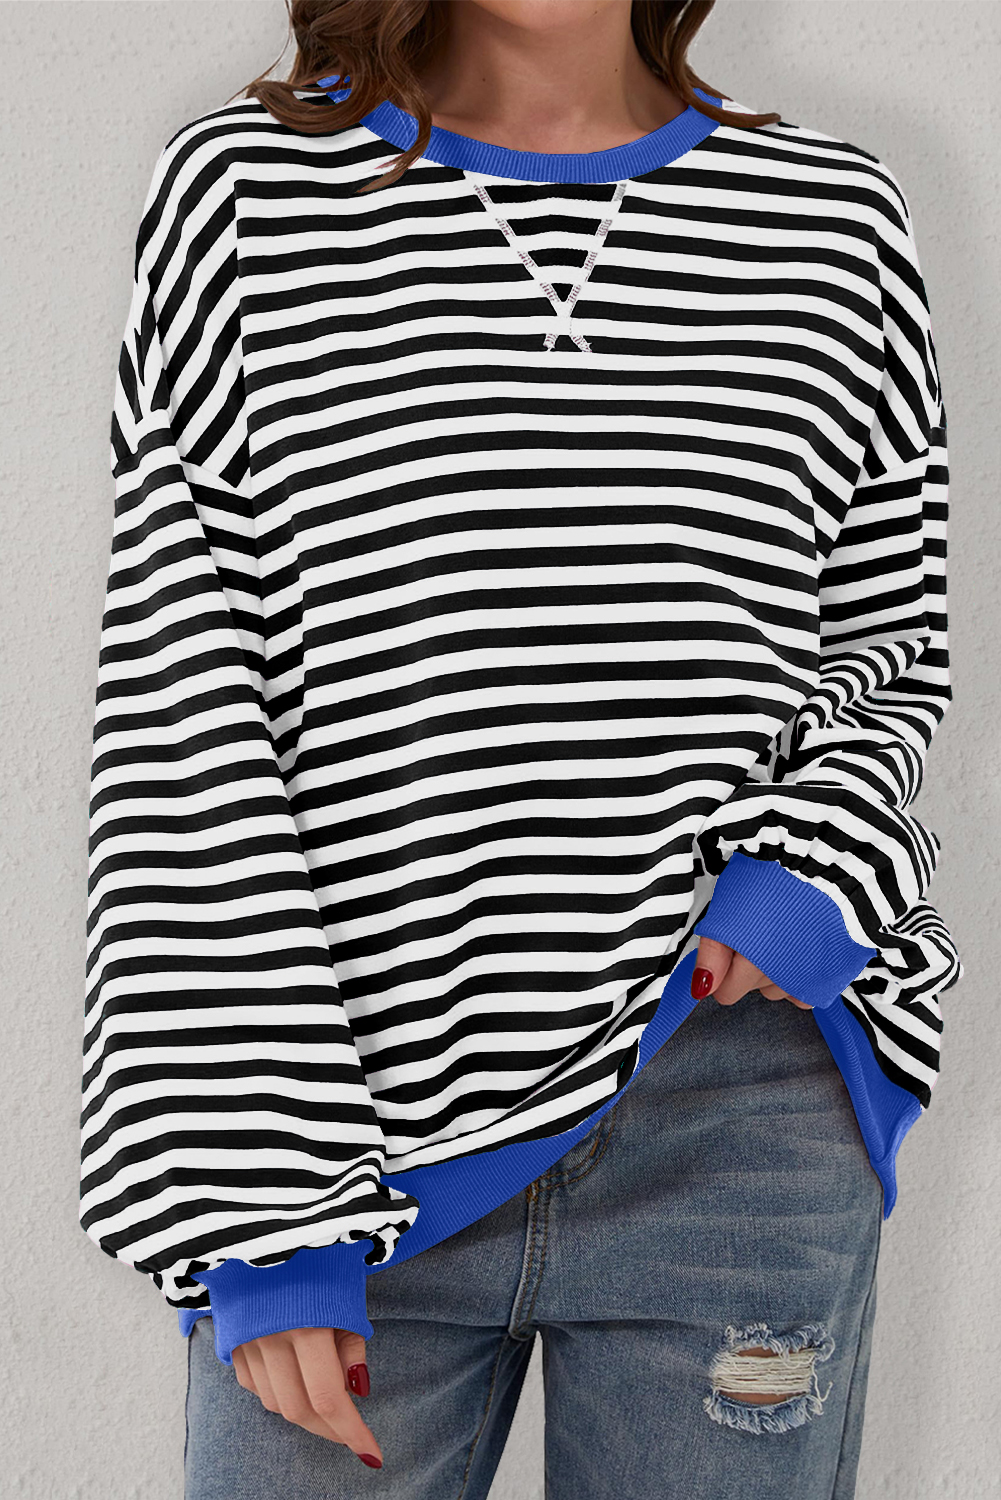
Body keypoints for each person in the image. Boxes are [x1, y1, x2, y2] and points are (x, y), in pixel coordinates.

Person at [80, 1, 963, 1494]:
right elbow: (183, 692)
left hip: (729, 1105)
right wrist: (260, 1205)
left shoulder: (832, 218)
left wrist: (806, 873)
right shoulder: (245, 194)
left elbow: (884, 640)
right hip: (348, 1132)